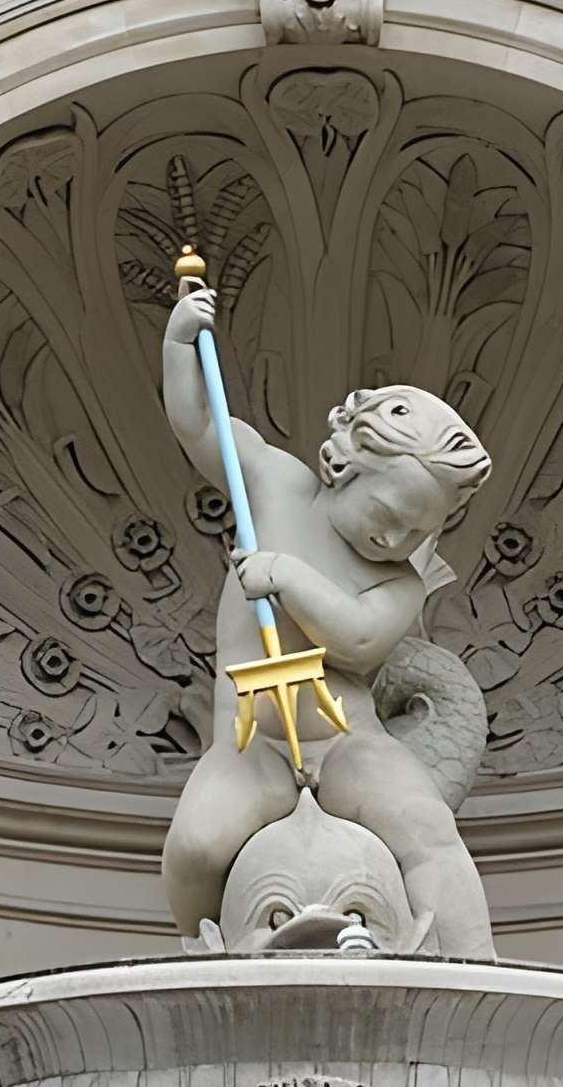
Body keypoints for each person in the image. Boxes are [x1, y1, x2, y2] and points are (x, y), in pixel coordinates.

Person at [161, 284, 495, 958]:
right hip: (251, 743)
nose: (396, 537)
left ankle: (475, 971)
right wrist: (178, 344)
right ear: (346, 464)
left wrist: (286, 576)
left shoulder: (397, 582)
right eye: (388, 512)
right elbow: (203, 430)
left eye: (416, 530)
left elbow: (357, 640)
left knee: (427, 828)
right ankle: (209, 956)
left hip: (344, 744)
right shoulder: (277, 486)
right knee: (196, 844)